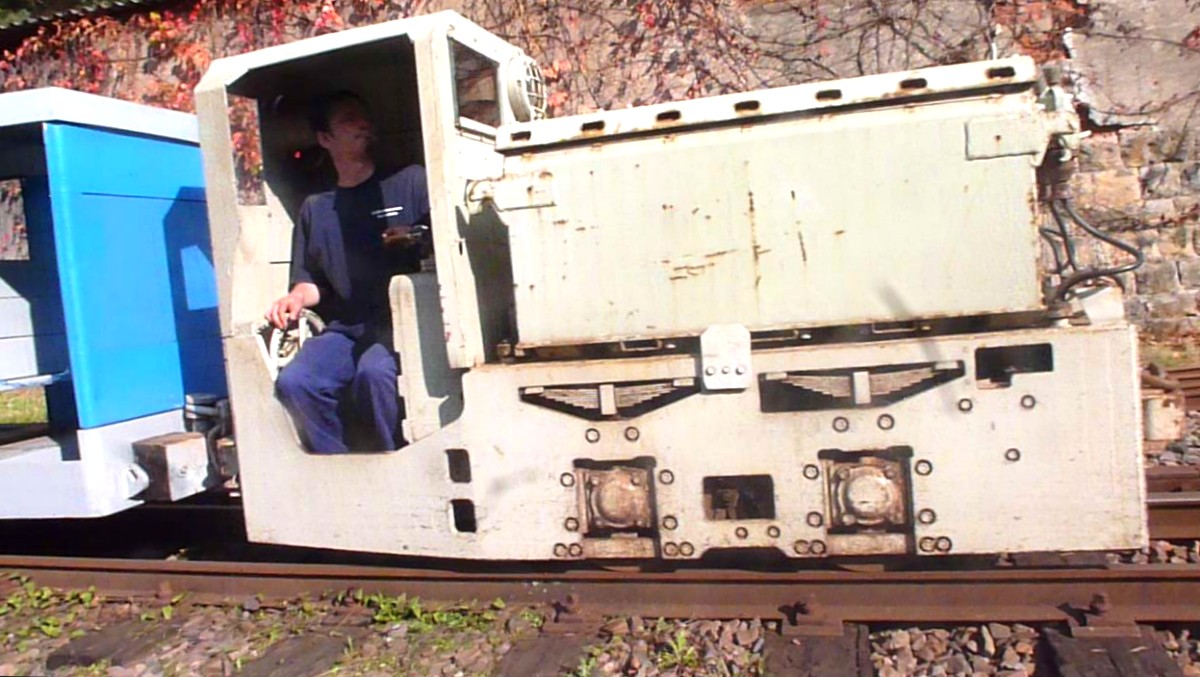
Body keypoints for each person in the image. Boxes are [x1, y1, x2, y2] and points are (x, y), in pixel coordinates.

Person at [267, 90, 430, 453]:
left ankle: (396, 464)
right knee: (296, 382)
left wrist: (416, 239)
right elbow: (310, 282)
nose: (362, 124)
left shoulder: (410, 182)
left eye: (364, 116)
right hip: (347, 329)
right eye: (348, 119)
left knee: (374, 375)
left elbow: (442, 249)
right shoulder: (316, 208)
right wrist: (294, 298)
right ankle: (340, 467)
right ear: (325, 139)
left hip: (405, 323)